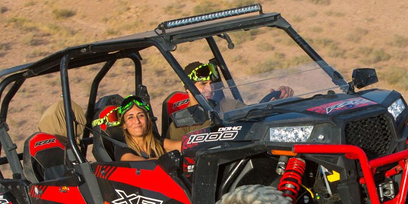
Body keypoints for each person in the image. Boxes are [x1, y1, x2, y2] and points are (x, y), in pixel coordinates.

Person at [166, 61, 295, 141]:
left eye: (211, 83)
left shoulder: (229, 105)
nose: (210, 89)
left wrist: (274, 102)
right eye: (203, 84)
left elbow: (254, 115)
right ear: (188, 88)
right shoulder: (181, 123)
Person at [113, 96, 182, 161]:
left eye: (141, 115)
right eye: (130, 117)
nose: (137, 121)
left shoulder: (158, 144)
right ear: (124, 125)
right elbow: (144, 164)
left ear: (147, 120)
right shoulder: (122, 150)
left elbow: (184, 145)